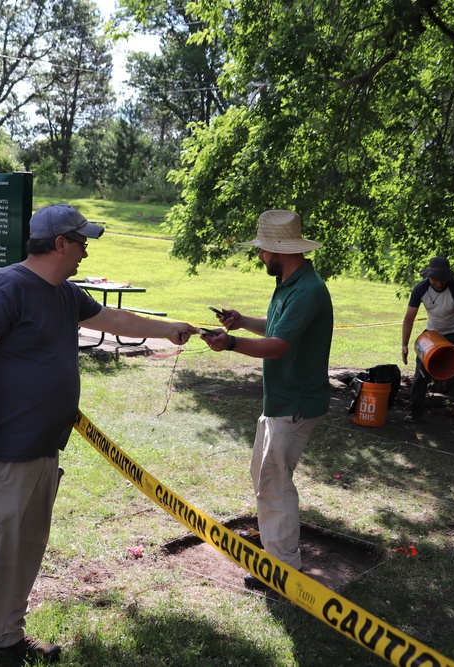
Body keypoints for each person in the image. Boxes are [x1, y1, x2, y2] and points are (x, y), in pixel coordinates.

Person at [0, 203, 196, 667]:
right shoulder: (6, 288)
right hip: (1, 455)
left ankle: (7, 641)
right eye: (81, 242)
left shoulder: (64, 293)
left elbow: (113, 320)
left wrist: (168, 329)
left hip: (42, 452)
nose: (85, 251)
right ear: (59, 243)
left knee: (24, 555)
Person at [202, 210, 333, 590]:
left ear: (279, 250)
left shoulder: (308, 291)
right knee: (264, 477)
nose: (260, 256)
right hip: (279, 402)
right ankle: (277, 548)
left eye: (262, 250)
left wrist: (230, 344)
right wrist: (243, 322)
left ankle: (283, 572)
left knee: (274, 483)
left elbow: (277, 347)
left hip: (295, 404)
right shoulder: (292, 283)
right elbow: (277, 328)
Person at [400, 256, 454, 433]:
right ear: (429, 276)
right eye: (436, 279)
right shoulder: (420, 289)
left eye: (443, 280)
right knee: (421, 373)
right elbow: (409, 318)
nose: (439, 283)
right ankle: (415, 411)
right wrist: (404, 345)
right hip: (433, 334)